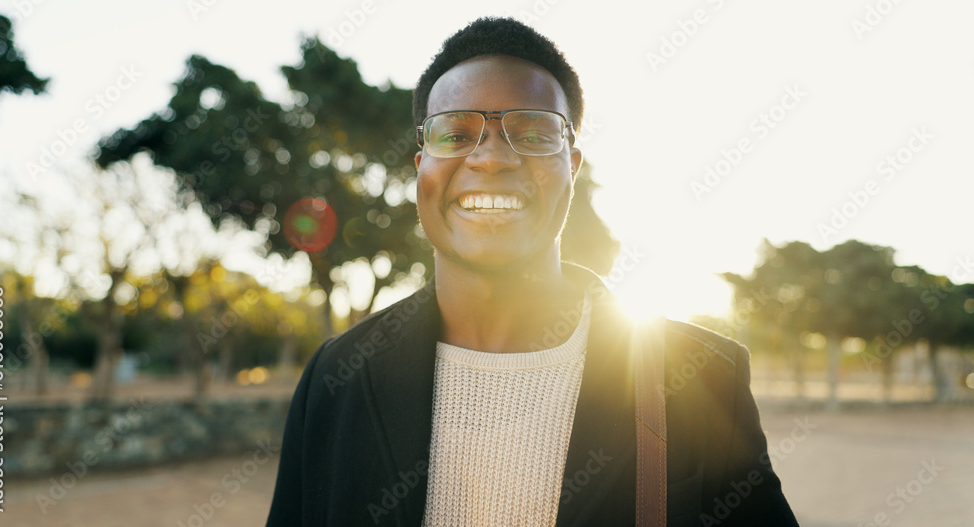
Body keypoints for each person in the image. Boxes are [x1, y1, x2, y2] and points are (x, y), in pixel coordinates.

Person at [266, 17, 799, 527]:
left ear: (572, 165)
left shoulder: (701, 377)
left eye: (536, 132)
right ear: (421, 167)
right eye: (454, 134)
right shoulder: (336, 379)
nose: (492, 158)